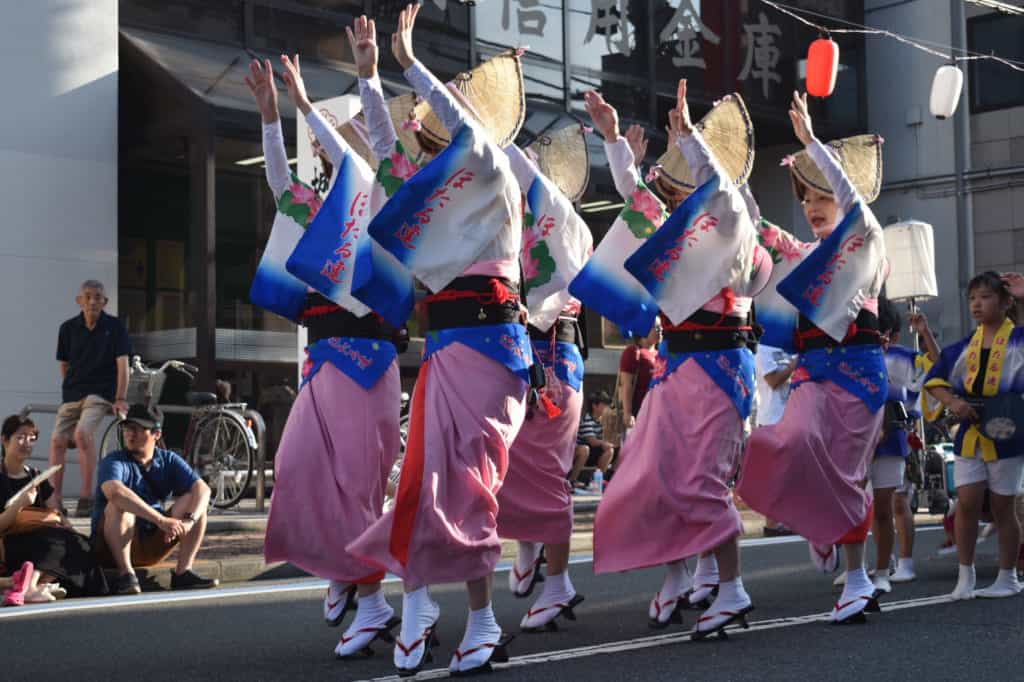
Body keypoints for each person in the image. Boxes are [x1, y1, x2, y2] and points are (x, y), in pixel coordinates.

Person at [345, 6, 530, 675]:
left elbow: (458, 131)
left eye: (439, 126)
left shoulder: (488, 169)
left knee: (468, 489)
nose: (425, 141)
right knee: (423, 484)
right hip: (450, 349)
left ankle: (481, 622)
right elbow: (390, 156)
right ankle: (416, 598)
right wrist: (370, 80)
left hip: (490, 348)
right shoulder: (445, 192)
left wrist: (410, 64)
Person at [590, 80, 770, 639]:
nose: (672, 189)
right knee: (654, 477)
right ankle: (683, 572)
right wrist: (615, 142)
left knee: (703, 483)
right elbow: (635, 201)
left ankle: (731, 587)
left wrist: (690, 136)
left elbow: (717, 186)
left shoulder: (737, 221)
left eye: (687, 172)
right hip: (675, 369)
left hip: (719, 368)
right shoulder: (684, 228)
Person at [247, 39, 404, 658]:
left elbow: (370, 156)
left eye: (355, 135)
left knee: (357, 487)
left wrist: (310, 106)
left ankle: (373, 602)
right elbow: (282, 182)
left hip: (367, 362)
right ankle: (345, 572)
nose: (346, 144)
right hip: (323, 363)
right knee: (295, 468)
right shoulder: (323, 211)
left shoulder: (389, 199)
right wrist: (269, 116)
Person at [738, 90, 889, 624]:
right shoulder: (798, 257)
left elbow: (853, 202)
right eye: (805, 198)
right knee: (789, 441)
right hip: (809, 374)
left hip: (859, 373)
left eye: (822, 194)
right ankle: (821, 525)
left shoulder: (866, 242)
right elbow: (751, 222)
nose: (812, 205)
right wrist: (728, 169)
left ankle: (856, 578)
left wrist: (811, 145)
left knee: (849, 476)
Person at [495, 125, 593, 633]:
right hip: (520, 350)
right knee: (508, 464)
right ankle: (530, 551)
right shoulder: (516, 222)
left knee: (548, 474)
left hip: (556, 354)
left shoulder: (568, 223)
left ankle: (557, 583)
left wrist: (495, 125)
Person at [923, 271, 1024, 599]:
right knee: (965, 503)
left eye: (986, 297)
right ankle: (965, 576)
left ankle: (1007, 577)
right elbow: (936, 379)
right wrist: (954, 401)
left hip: (1008, 431)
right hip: (970, 433)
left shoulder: (1019, 341)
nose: (977, 304)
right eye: (972, 298)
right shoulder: (965, 346)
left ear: (1006, 303)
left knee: (1003, 507)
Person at [92, 404, 216, 595]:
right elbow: (114, 491)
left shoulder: (168, 459)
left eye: (138, 429)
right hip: (111, 547)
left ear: (156, 434)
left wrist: (189, 522)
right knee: (119, 505)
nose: (130, 434)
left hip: (152, 541)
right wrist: (161, 520)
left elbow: (203, 489)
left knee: (195, 501)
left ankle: (183, 573)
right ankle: (126, 575)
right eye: (127, 428)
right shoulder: (114, 461)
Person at [867, 302, 940, 593]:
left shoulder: (902, 357)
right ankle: (869, 565)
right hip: (860, 437)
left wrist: (924, 333)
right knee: (865, 506)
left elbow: (938, 365)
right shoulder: (853, 355)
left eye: (879, 332)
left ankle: (905, 562)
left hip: (897, 435)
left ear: (893, 336)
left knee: (897, 502)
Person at [1, 415, 107, 598]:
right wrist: (18, 505)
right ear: (4, 440)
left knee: (77, 541)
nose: (26, 442)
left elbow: (56, 513)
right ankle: (32, 586)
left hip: (42, 538)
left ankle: (34, 586)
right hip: (11, 542)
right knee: (52, 540)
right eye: (20, 437)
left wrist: (70, 530)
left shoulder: (36, 476)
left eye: (31, 438)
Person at [50, 280, 131, 517]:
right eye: (88, 296)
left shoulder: (115, 327)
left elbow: (123, 365)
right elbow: (64, 364)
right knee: (57, 441)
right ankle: (55, 497)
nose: (93, 301)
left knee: (82, 434)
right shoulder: (67, 328)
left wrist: (120, 397)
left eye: (98, 297)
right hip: (73, 393)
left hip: (101, 393)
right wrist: (69, 389)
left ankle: (87, 496)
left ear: (105, 302)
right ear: (79, 301)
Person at [754, 344, 797, 537]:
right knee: (773, 476)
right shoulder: (764, 349)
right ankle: (771, 524)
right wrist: (794, 365)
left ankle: (786, 520)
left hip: (791, 417)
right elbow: (773, 380)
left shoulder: (791, 344)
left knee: (788, 475)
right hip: (771, 418)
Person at [618, 323, 660, 441]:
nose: (660, 330)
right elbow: (626, 384)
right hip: (638, 414)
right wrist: (628, 413)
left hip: (657, 414)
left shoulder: (661, 354)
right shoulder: (633, 351)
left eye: (661, 327)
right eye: (656, 327)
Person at [569, 391, 615, 487]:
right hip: (579, 452)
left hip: (592, 452)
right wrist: (605, 443)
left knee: (610, 450)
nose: (607, 409)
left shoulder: (602, 420)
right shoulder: (587, 419)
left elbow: (607, 439)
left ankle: (597, 481)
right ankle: (571, 481)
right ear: (595, 406)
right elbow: (592, 441)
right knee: (585, 449)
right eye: (604, 405)